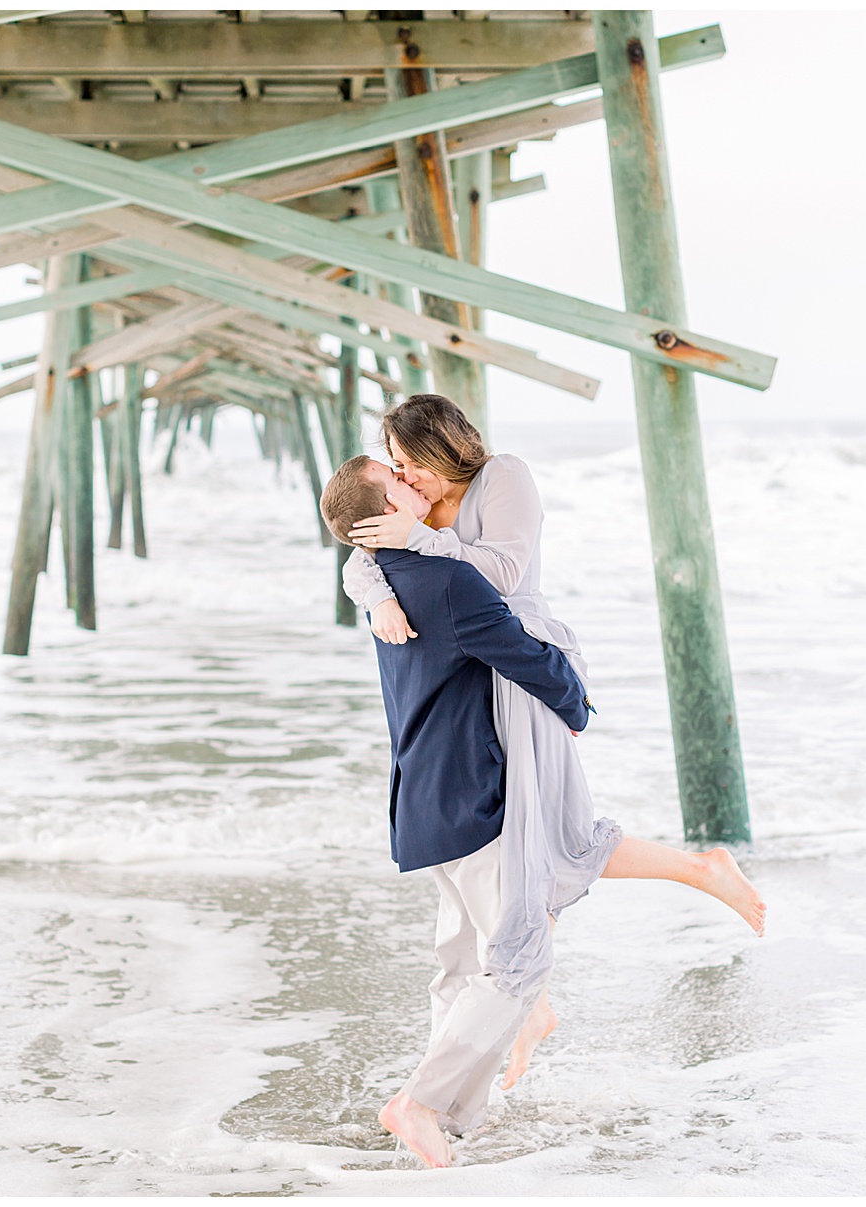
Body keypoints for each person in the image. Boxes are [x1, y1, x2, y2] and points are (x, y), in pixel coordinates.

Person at [342, 394, 766, 1092]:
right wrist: (375, 593)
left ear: (443, 445)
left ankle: (688, 881)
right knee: (535, 846)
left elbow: (502, 576)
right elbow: (363, 554)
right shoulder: (412, 513)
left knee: (551, 838)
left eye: (410, 460)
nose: (404, 475)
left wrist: (414, 543)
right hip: (471, 683)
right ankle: (530, 1005)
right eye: (394, 464)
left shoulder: (503, 475)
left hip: (522, 667)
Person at [320, 454, 590, 1168]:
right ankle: (422, 1101)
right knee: (518, 964)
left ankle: (460, 1115)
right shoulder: (444, 579)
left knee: (459, 963)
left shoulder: (388, 581)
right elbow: (523, 654)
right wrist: (577, 703)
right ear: (382, 514)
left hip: (420, 800)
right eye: (398, 479)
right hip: (474, 798)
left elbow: (365, 562)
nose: (414, 482)